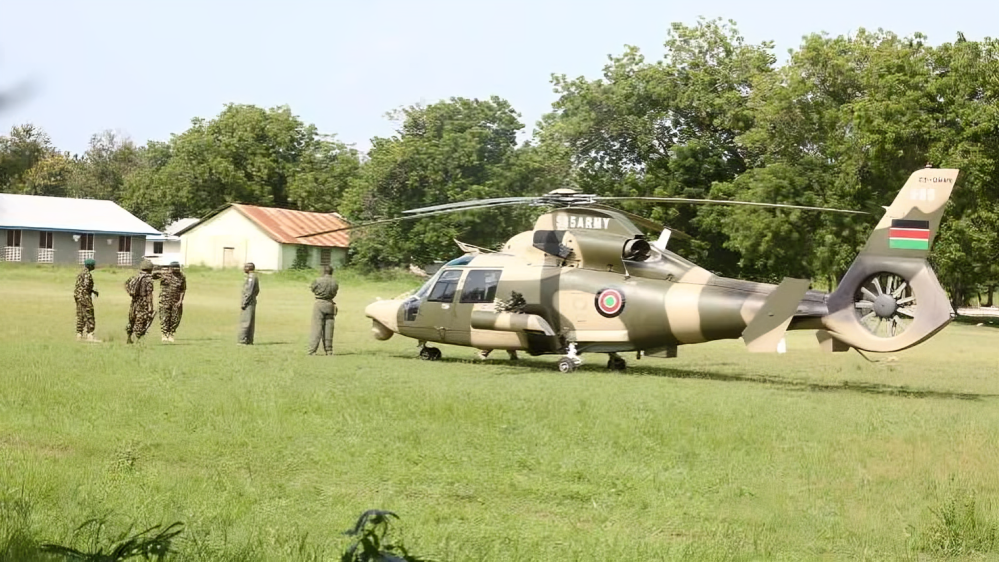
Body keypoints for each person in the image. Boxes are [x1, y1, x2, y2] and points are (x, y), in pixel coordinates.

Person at [152, 261, 187, 342]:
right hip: (164, 300)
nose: (175, 271)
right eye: (173, 269)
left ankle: (171, 334)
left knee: (175, 318)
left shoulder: (181, 277)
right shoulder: (165, 274)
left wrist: (180, 300)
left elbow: (183, 289)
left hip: (176, 301)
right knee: (164, 317)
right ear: (170, 268)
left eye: (177, 269)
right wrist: (159, 270)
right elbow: (152, 275)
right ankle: (164, 334)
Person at [308, 265, 339, 355]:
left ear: (323, 271)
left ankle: (312, 350)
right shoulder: (335, 282)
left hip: (319, 304)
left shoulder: (318, 280)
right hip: (330, 304)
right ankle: (329, 350)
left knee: (316, 328)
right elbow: (335, 291)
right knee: (329, 328)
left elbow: (312, 289)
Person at [124, 260, 155, 344]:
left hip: (134, 302)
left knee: (131, 320)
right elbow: (149, 294)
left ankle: (129, 338)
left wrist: (131, 294)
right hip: (143, 303)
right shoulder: (148, 280)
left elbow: (126, 284)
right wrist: (150, 307)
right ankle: (138, 340)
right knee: (141, 321)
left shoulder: (136, 277)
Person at [74, 258, 101, 342]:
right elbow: (86, 286)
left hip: (78, 296)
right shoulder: (87, 274)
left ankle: (79, 334)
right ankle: (90, 335)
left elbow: (79, 286)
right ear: (90, 266)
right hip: (84, 297)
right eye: (93, 265)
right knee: (89, 315)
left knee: (80, 315)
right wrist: (92, 291)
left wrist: (92, 291)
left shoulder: (81, 273)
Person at [238, 262, 260, 345]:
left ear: (249, 268)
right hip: (252, 301)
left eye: (245, 267)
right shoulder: (254, 277)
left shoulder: (251, 277)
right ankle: (249, 340)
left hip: (249, 302)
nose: (244, 268)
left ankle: (243, 340)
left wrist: (244, 302)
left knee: (245, 321)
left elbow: (249, 291)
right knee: (250, 321)